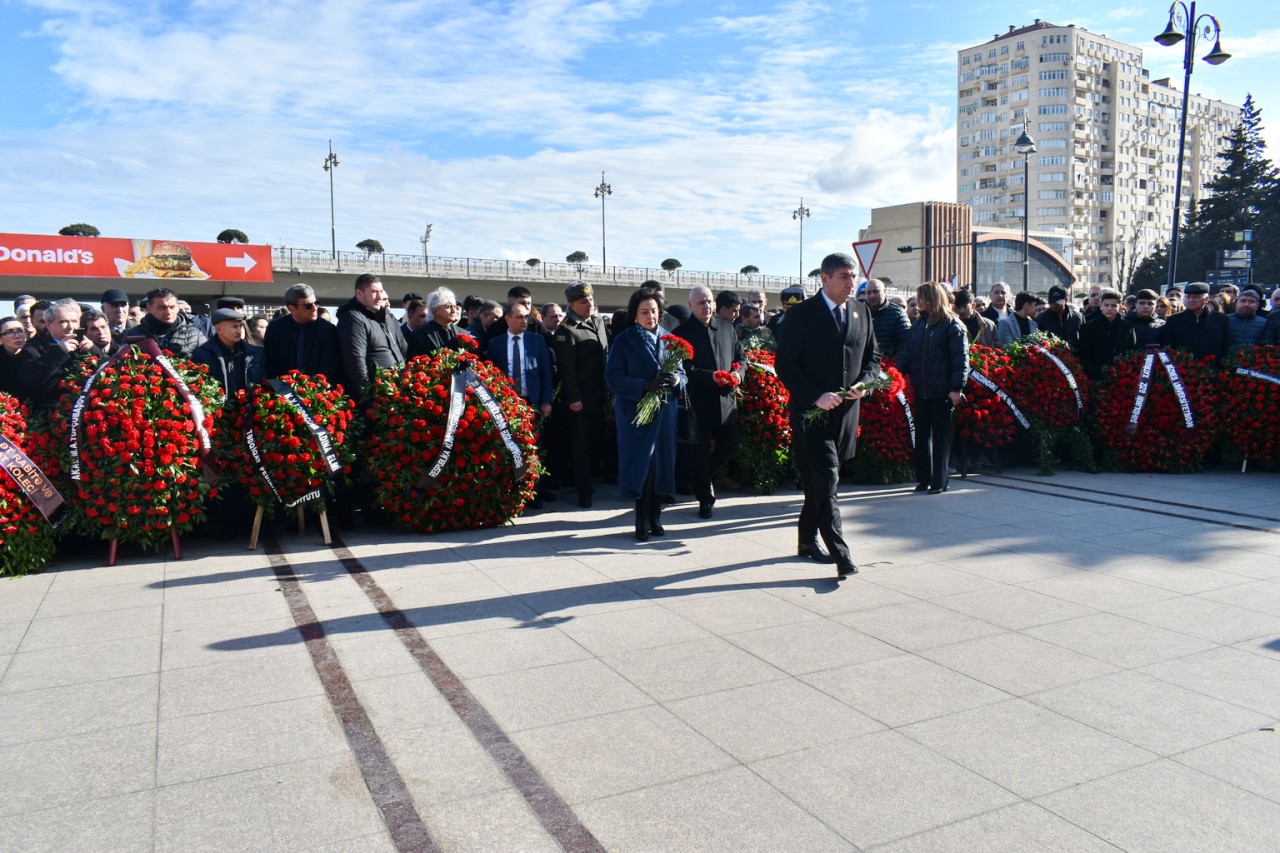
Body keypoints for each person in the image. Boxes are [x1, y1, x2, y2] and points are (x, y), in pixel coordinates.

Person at [776, 253, 881, 579]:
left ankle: (806, 541)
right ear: (824, 279)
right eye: (845, 277)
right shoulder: (801, 315)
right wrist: (815, 397)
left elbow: (873, 356)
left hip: (847, 414)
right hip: (812, 415)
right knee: (829, 479)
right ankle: (840, 553)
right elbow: (785, 366)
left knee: (819, 482)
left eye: (854, 277)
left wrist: (865, 383)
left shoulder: (861, 311)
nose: (853, 283)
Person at [606, 289, 685, 541]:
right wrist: (643, 385)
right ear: (634, 314)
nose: (650, 316)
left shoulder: (669, 339)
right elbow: (613, 378)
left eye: (654, 311)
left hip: (665, 412)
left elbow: (683, 374)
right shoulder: (624, 340)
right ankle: (641, 519)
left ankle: (656, 516)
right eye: (644, 312)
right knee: (643, 467)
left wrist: (676, 379)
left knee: (663, 464)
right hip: (636, 413)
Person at [674, 287, 746, 519]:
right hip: (698, 402)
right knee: (700, 452)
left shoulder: (727, 327)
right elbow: (683, 368)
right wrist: (709, 377)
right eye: (700, 303)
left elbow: (740, 358)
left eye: (708, 301)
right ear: (691, 305)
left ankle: (699, 480)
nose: (705, 306)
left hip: (726, 400)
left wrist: (738, 373)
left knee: (730, 444)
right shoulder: (682, 332)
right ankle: (705, 498)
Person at [896, 281, 968, 495]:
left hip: (943, 391)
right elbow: (908, 354)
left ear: (931, 299)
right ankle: (924, 478)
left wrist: (957, 387)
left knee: (940, 437)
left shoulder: (952, 325)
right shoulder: (919, 324)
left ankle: (939, 480)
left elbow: (960, 360)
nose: (918, 302)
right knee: (922, 435)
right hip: (922, 389)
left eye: (921, 297)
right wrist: (893, 374)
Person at [550, 282, 610, 508]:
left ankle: (588, 480)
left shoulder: (597, 323)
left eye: (591, 299)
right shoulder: (566, 330)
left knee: (595, 442)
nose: (590, 304)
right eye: (584, 301)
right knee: (581, 446)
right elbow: (567, 369)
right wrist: (574, 398)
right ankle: (583, 490)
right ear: (572, 304)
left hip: (599, 396)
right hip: (580, 400)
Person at [17, 298, 101, 410]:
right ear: (48, 325)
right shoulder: (32, 349)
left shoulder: (86, 345)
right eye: (63, 322)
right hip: (52, 415)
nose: (71, 327)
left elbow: (107, 368)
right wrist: (59, 351)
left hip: (86, 413)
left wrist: (93, 349)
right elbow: (31, 378)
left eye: (74, 321)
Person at [336, 273, 407, 398]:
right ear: (359, 294)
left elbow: (403, 348)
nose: (380, 297)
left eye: (381, 291)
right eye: (374, 292)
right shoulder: (353, 318)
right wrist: (366, 396)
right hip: (376, 394)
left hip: (397, 390)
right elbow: (355, 361)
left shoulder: (388, 317)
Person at [263, 283, 342, 382]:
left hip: (319, 391)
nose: (314, 308)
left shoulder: (327, 330)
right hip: (282, 390)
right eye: (308, 306)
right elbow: (271, 365)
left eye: (316, 303)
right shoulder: (275, 329)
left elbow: (329, 367)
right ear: (291, 308)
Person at [191, 307, 265, 402]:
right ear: (219, 328)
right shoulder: (202, 354)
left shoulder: (254, 353)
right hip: (218, 412)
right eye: (234, 326)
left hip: (248, 411)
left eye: (240, 326)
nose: (239, 331)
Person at [125, 287, 207, 358]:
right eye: (162, 307)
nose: (168, 312)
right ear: (149, 309)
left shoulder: (195, 335)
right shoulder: (133, 335)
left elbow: (206, 366)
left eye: (172, 307)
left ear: (177, 307)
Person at [1160, 281, 1229, 361]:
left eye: (1195, 297)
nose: (1191, 300)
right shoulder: (1174, 320)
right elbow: (1168, 347)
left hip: (1213, 368)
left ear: (1206, 299)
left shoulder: (1221, 319)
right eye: (1188, 297)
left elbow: (1225, 345)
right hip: (1183, 368)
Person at [1079, 288, 1137, 381]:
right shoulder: (1088, 328)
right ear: (1101, 305)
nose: (1110, 309)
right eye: (1106, 305)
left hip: (1122, 376)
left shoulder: (1128, 327)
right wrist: (1094, 375)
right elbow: (1085, 354)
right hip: (1096, 376)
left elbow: (1132, 351)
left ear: (1119, 307)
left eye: (1114, 305)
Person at [408, 287, 469, 357]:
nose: (454, 311)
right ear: (435, 309)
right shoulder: (419, 335)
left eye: (455, 307)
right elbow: (413, 364)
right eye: (449, 307)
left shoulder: (463, 334)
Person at [863, 278, 911, 358]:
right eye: (868, 293)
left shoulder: (897, 313)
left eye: (876, 291)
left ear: (885, 291)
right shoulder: (859, 312)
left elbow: (905, 343)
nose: (872, 295)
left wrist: (893, 365)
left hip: (888, 365)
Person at [1037, 285, 1084, 352]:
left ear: (1066, 300)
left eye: (1058, 302)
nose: (1054, 305)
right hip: (1051, 360)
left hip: (1075, 359)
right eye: (1051, 302)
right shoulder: (1040, 320)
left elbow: (1085, 342)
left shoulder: (1078, 318)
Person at [1227, 286, 1267, 350]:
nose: (1246, 304)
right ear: (1236, 303)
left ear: (1257, 305)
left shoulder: (1265, 323)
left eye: (1251, 302)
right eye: (1243, 301)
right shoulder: (1225, 320)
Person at [0, 315, 28, 396]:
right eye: (9, 332)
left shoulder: (35, 353)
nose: (17, 336)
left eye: (20, 331)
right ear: (1, 338)